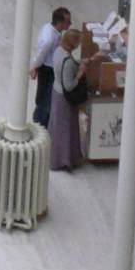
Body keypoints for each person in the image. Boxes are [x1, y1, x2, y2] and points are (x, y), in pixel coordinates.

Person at [48, 29, 85, 171]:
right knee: (66, 129)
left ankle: (55, 158)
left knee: (57, 128)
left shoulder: (58, 51)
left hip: (56, 92)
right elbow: (69, 86)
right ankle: (66, 160)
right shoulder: (68, 61)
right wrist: (79, 74)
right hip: (65, 98)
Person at [31, 7, 73, 129]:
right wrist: (35, 67)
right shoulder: (50, 39)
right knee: (46, 98)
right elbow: (41, 53)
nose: (70, 24)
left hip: (48, 68)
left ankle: (42, 121)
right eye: (68, 22)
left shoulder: (50, 29)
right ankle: (41, 125)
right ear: (59, 23)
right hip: (48, 70)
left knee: (44, 96)